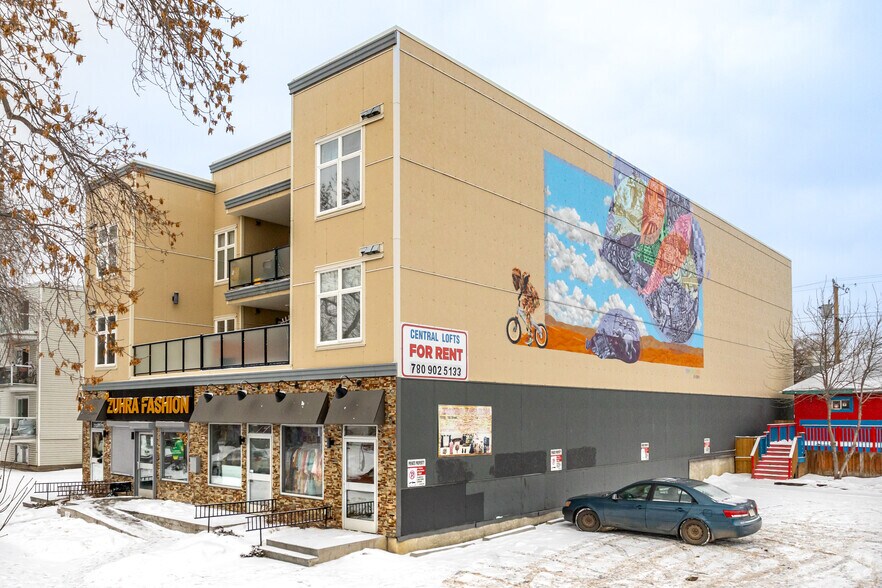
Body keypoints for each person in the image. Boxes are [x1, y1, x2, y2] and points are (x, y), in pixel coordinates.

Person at [512, 267, 540, 346]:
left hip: (534, 299)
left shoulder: (522, 280)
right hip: (528, 298)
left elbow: (526, 276)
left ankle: (530, 337)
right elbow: (522, 289)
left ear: (517, 276)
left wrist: (525, 277)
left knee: (527, 313)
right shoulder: (520, 284)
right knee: (523, 304)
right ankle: (530, 322)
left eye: (514, 276)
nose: (513, 278)